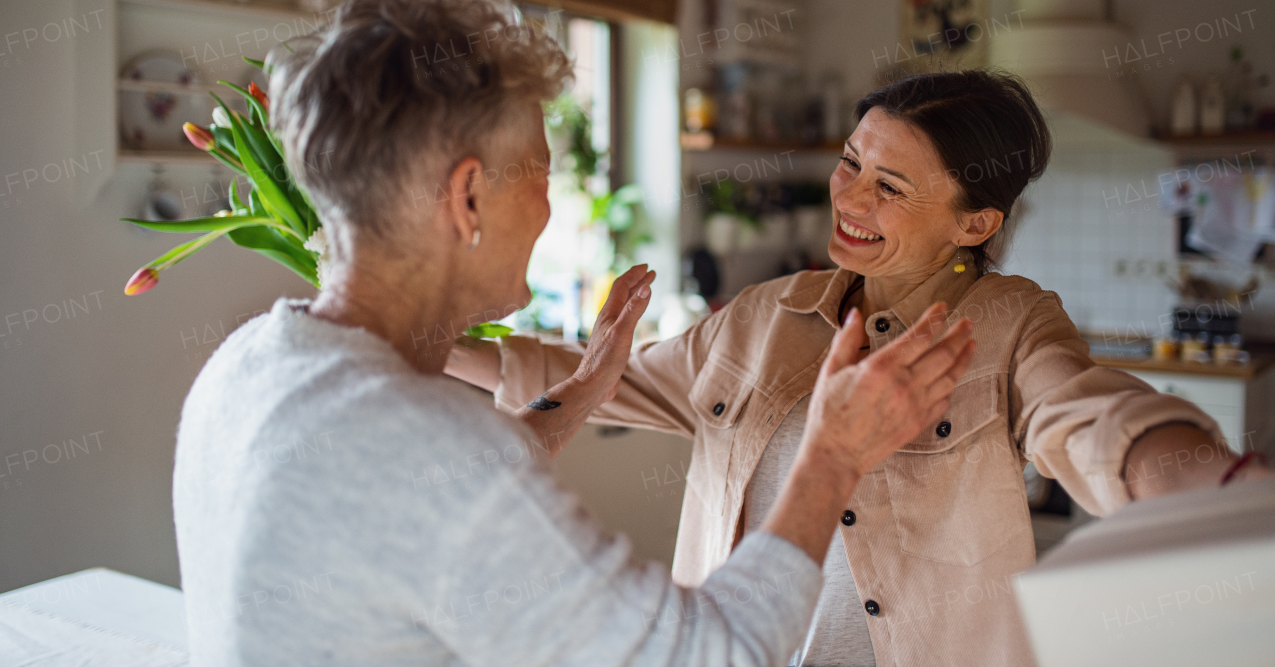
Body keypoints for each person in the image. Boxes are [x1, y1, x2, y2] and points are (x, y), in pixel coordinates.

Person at [171, 0, 977, 667]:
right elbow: (714, 655)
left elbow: (414, 490)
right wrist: (831, 456)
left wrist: (589, 386)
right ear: (467, 198)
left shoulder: (248, 362)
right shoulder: (433, 444)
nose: (552, 208)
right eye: (543, 173)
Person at [447, 69, 1272, 667]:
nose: (850, 199)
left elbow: (1094, 416)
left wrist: (1221, 484)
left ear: (975, 220)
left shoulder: (1010, 322)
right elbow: (605, 377)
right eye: (850, 163)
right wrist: (423, 338)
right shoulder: (769, 313)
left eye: (890, 185)